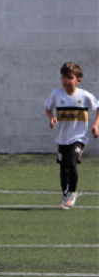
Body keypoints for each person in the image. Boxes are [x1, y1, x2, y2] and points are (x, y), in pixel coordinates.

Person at [45, 62, 99, 209]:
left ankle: (73, 193)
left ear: (78, 80)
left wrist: (96, 125)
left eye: (70, 77)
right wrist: (51, 117)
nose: (66, 80)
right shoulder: (56, 94)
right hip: (62, 139)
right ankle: (65, 195)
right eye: (63, 77)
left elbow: (98, 106)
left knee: (72, 163)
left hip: (79, 138)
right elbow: (48, 108)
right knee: (63, 168)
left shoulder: (84, 95)